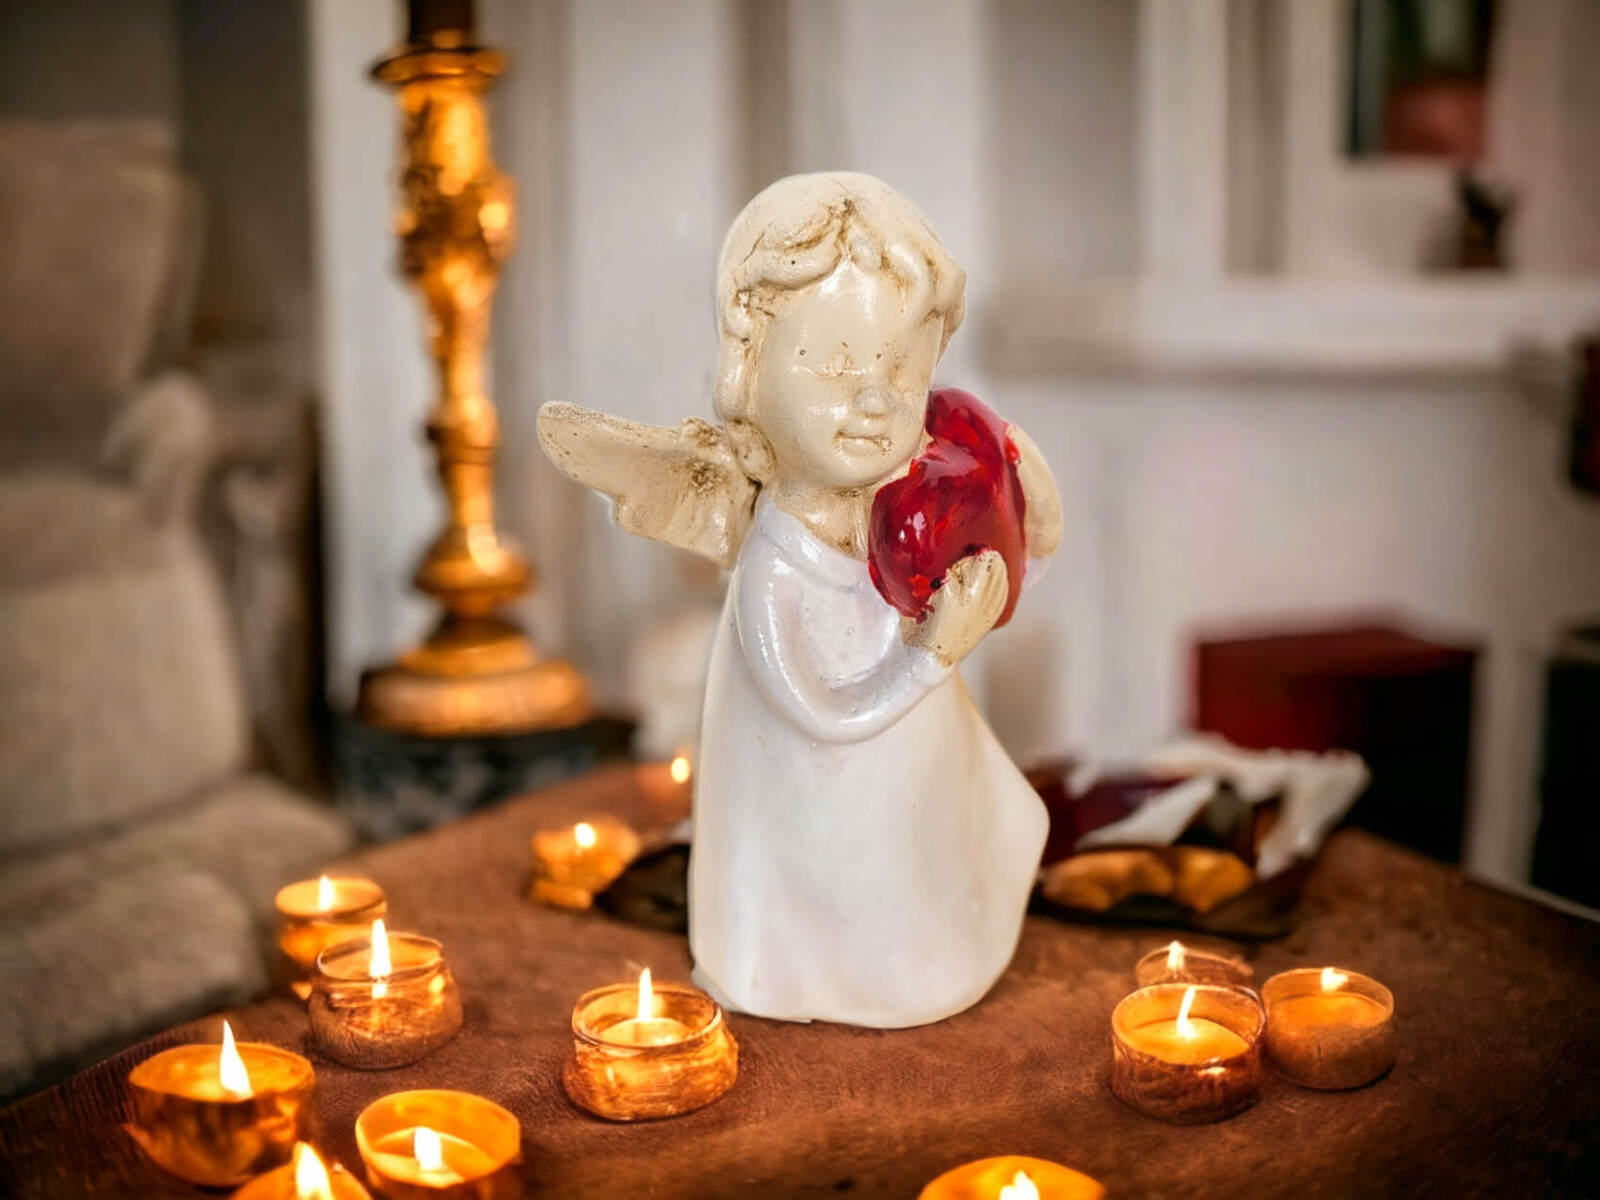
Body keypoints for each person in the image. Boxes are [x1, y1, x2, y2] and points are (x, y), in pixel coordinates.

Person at [538, 172, 1060, 1027]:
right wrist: (933, 652)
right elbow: (819, 714)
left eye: (903, 370)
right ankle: (842, 973)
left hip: (915, 787)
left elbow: (985, 582)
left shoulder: (908, 501)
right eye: (836, 366)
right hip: (820, 807)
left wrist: (1023, 525)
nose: (876, 399)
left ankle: (931, 951)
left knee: (922, 863)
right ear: (751, 372)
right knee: (854, 894)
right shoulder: (776, 563)